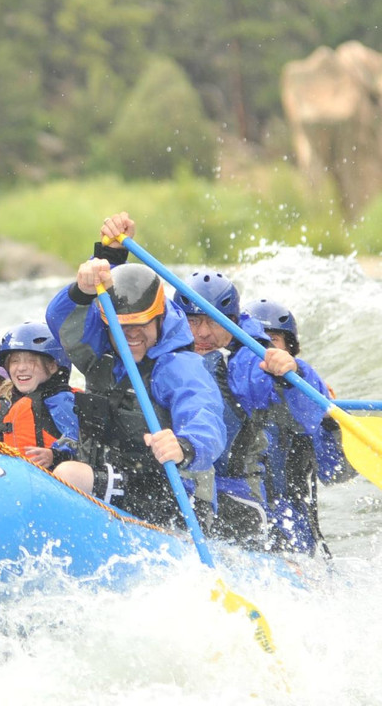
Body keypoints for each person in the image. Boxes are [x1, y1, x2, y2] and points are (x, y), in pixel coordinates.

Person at [46, 213, 226, 530]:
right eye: (122, 328)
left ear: (159, 319)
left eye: (141, 327)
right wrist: (95, 273)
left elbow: (205, 414)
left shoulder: (180, 366)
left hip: (171, 496)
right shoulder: (99, 352)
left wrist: (185, 446)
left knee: (68, 476)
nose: (131, 337)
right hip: (115, 478)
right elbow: (61, 320)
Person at [171, 270, 281, 549]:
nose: (203, 332)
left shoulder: (246, 361)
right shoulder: (162, 358)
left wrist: (292, 374)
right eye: (193, 321)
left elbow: (265, 386)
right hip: (181, 485)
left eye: (212, 321)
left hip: (237, 496)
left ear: (232, 323)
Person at [240, 296, 349, 555]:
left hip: (292, 528)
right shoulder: (232, 390)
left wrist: (331, 422)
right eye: (255, 342)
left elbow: (335, 472)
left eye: (272, 341)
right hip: (242, 514)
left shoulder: (308, 404)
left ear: (290, 350)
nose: (265, 351)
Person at [0, 321, 79, 469]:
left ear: (52, 366)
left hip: (49, 478)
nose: (21, 368)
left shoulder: (60, 400)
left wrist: (55, 454)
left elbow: (78, 437)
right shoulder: (4, 403)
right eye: (15, 361)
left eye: (31, 361)